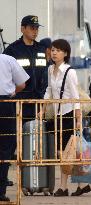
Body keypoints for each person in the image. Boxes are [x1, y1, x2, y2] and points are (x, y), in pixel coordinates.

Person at [42, 39, 90, 196]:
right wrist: (42, 110)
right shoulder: (51, 70)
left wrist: (77, 119)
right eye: (53, 50)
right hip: (57, 115)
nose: (54, 53)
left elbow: (76, 96)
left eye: (58, 50)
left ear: (66, 54)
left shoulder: (70, 72)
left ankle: (63, 187)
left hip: (69, 115)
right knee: (67, 153)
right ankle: (81, 185)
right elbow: (49, 91)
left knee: (65, 152)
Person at [3, 15, 48, 122]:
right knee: (19, 135)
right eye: (32, 28)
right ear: (22, 29)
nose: (35, 31)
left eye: (37, 28)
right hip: (19, 102)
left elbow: (46, 73)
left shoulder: (41, 49)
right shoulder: (13, 50)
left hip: (38, 102)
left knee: (37, 135)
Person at [0, 54, 29, 201]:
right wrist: (14, 92)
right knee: (5, 148)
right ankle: (0, 191)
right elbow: (22, 84)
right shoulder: (8, 59)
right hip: (5, 104)